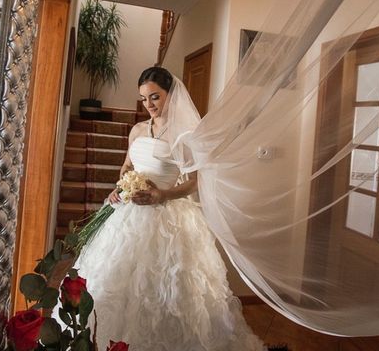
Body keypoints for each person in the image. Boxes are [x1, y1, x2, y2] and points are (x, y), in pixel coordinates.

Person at [67, 67, 265, 351]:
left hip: (168, 216)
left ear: (171, 95)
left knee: (168, 287)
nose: (149, 105)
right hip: (127, 215)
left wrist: (163, 195)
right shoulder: (137, 130)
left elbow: (196, 182)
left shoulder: (186, 136)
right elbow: (127, 168)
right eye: (143, 99)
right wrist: (119, 188)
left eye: (155, 97)